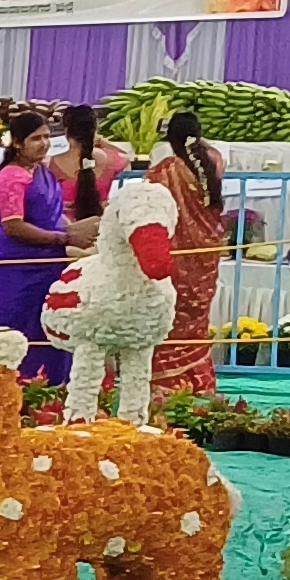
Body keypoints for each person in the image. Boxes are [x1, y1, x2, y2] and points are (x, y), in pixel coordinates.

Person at [0, 106, 72, 382]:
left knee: (50, 330)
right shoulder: (11, 176)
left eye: (46, 137)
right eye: (35, 138)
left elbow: (52, 214)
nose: (43, 143)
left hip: (50, 266)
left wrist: (75, 231)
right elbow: (13, 226)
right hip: (17, 269)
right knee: (16, 333)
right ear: (18, 143)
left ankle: (50, 394)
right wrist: (62, 238)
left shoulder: (43, 171)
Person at [148, 107, 230, 402]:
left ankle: (166, 385)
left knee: (171, 316)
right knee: (196, 316)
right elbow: (207, 151)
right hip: (206, 255)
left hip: (176, 255)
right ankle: (199, 381)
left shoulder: (164, 171)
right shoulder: (214, 161)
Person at [52, 102, 131, 252]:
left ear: (66, 130)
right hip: (100, 236)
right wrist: (102, 141)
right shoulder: (113, 160)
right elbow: (128, 156)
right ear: (94, 130)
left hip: (67, 238)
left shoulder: (50, 165)